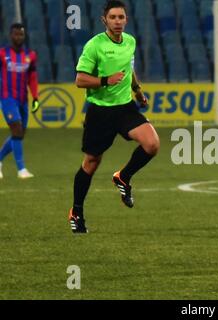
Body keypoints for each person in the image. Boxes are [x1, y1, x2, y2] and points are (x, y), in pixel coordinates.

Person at [69, 0, 159, 233]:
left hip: (125, 108)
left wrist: (138, 92)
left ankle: (123, 177)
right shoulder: (94, 46)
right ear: (104, 20)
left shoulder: (130, 41)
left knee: (152, 144)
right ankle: (76, 213)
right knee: (92, 162)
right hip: (100, 111)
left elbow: (128, 70)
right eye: (113, 18)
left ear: (126, 20)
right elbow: (80, 80)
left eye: (121, 17)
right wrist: (105, 80)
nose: (117, 21)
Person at [0, 23, 40, 179]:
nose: (18, 37)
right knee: (16, 130)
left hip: (23, 99)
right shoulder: (2, 54)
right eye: (16, 34)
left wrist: (36, 97)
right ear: (10, 35)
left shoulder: (30, 55)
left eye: (21, 34)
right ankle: (21, 169)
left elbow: (32, 78)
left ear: (24, 36)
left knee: (20, 134)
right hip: (7, 98)